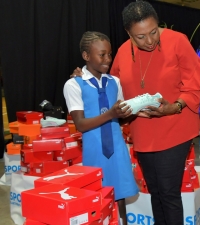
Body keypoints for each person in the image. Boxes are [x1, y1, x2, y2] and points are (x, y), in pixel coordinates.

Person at [71, 1, 200, 224]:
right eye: (141, 36)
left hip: (175, 126)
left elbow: (193, 85)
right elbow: (110, 85)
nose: (151, 40)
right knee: (155, 191)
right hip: (142, 131)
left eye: (154, 32)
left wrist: (175, 106)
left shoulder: (177, 40)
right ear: (128, 33)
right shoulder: (124, 52)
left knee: (168, 191)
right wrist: (82, 76)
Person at [63, 31, 139, 225]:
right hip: (95, 150)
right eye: (102, 54)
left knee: (120, 195)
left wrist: (135, 111)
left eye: (110, 54)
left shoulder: (115, 82)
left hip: (117, 148)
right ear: (86, 56)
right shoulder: (74, 85)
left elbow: (119, 118)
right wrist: (111, 114)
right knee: (96, 199)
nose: (108, 59)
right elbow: (80, 124)